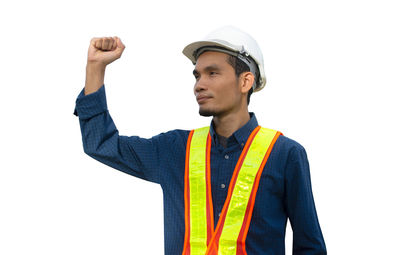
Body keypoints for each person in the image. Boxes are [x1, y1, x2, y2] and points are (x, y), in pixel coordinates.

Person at [73, 26, 327, 255]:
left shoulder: (285, 154)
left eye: (212, 73)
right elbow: (102, 144)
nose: (199, 85)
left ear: (245, 81)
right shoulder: (174, 150)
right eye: (197, 76)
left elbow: (310, 247)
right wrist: (95, 68)